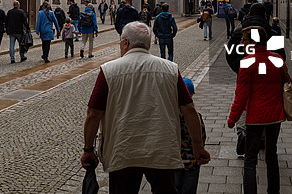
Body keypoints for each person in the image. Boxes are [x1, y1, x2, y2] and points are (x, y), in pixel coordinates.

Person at [81, 22, 210, 193]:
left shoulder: (109, 70)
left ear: (125, 42)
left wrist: (88, 149)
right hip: (162, 150)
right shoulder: (171, 69)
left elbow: (93, 114)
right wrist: (197, 146)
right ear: (148, 44)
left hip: (123, 151)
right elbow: (188, 109)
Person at [227, 6, 291, 194]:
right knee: (272, 156)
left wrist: (232, 120)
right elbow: (288, 82)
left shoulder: (247, 62)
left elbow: (241, 97)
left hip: (255, 116)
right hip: (275, 115)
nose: (242, 42)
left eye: (244, 40)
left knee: (250, 160)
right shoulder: (277, 58)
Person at [175, 78, 206, 194]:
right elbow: (202, 136)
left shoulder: (170, 117)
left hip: (174, 161)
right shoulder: (196, 117)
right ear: (191, 95)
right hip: (192, 161)